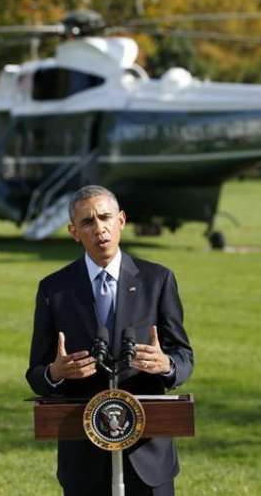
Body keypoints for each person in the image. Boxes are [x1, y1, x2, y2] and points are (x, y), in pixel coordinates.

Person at [26, 185, 193, 496]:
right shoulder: (54, 290)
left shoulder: (158, 280)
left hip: (148, 456)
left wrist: (166, 365)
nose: (99, 228)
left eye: (105, 218)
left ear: (121, 220)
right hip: (84, 460)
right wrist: (56, 373)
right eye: (88, 222)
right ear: (74, 232)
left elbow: (183, 357)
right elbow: (36, 374)